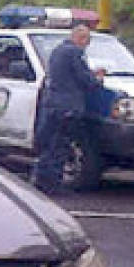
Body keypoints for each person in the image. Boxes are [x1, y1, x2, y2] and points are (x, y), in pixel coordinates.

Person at [32, 23, 106, 195]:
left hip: (52, 104)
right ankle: (52, 185)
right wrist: (98, 79)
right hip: (67, 106)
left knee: (49, 144)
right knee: (60, 146)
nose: (87, 45)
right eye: (87, 40)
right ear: (81, 38)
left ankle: (41, 181)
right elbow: (86, 81)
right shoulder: (74, 53)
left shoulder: (58, 51)